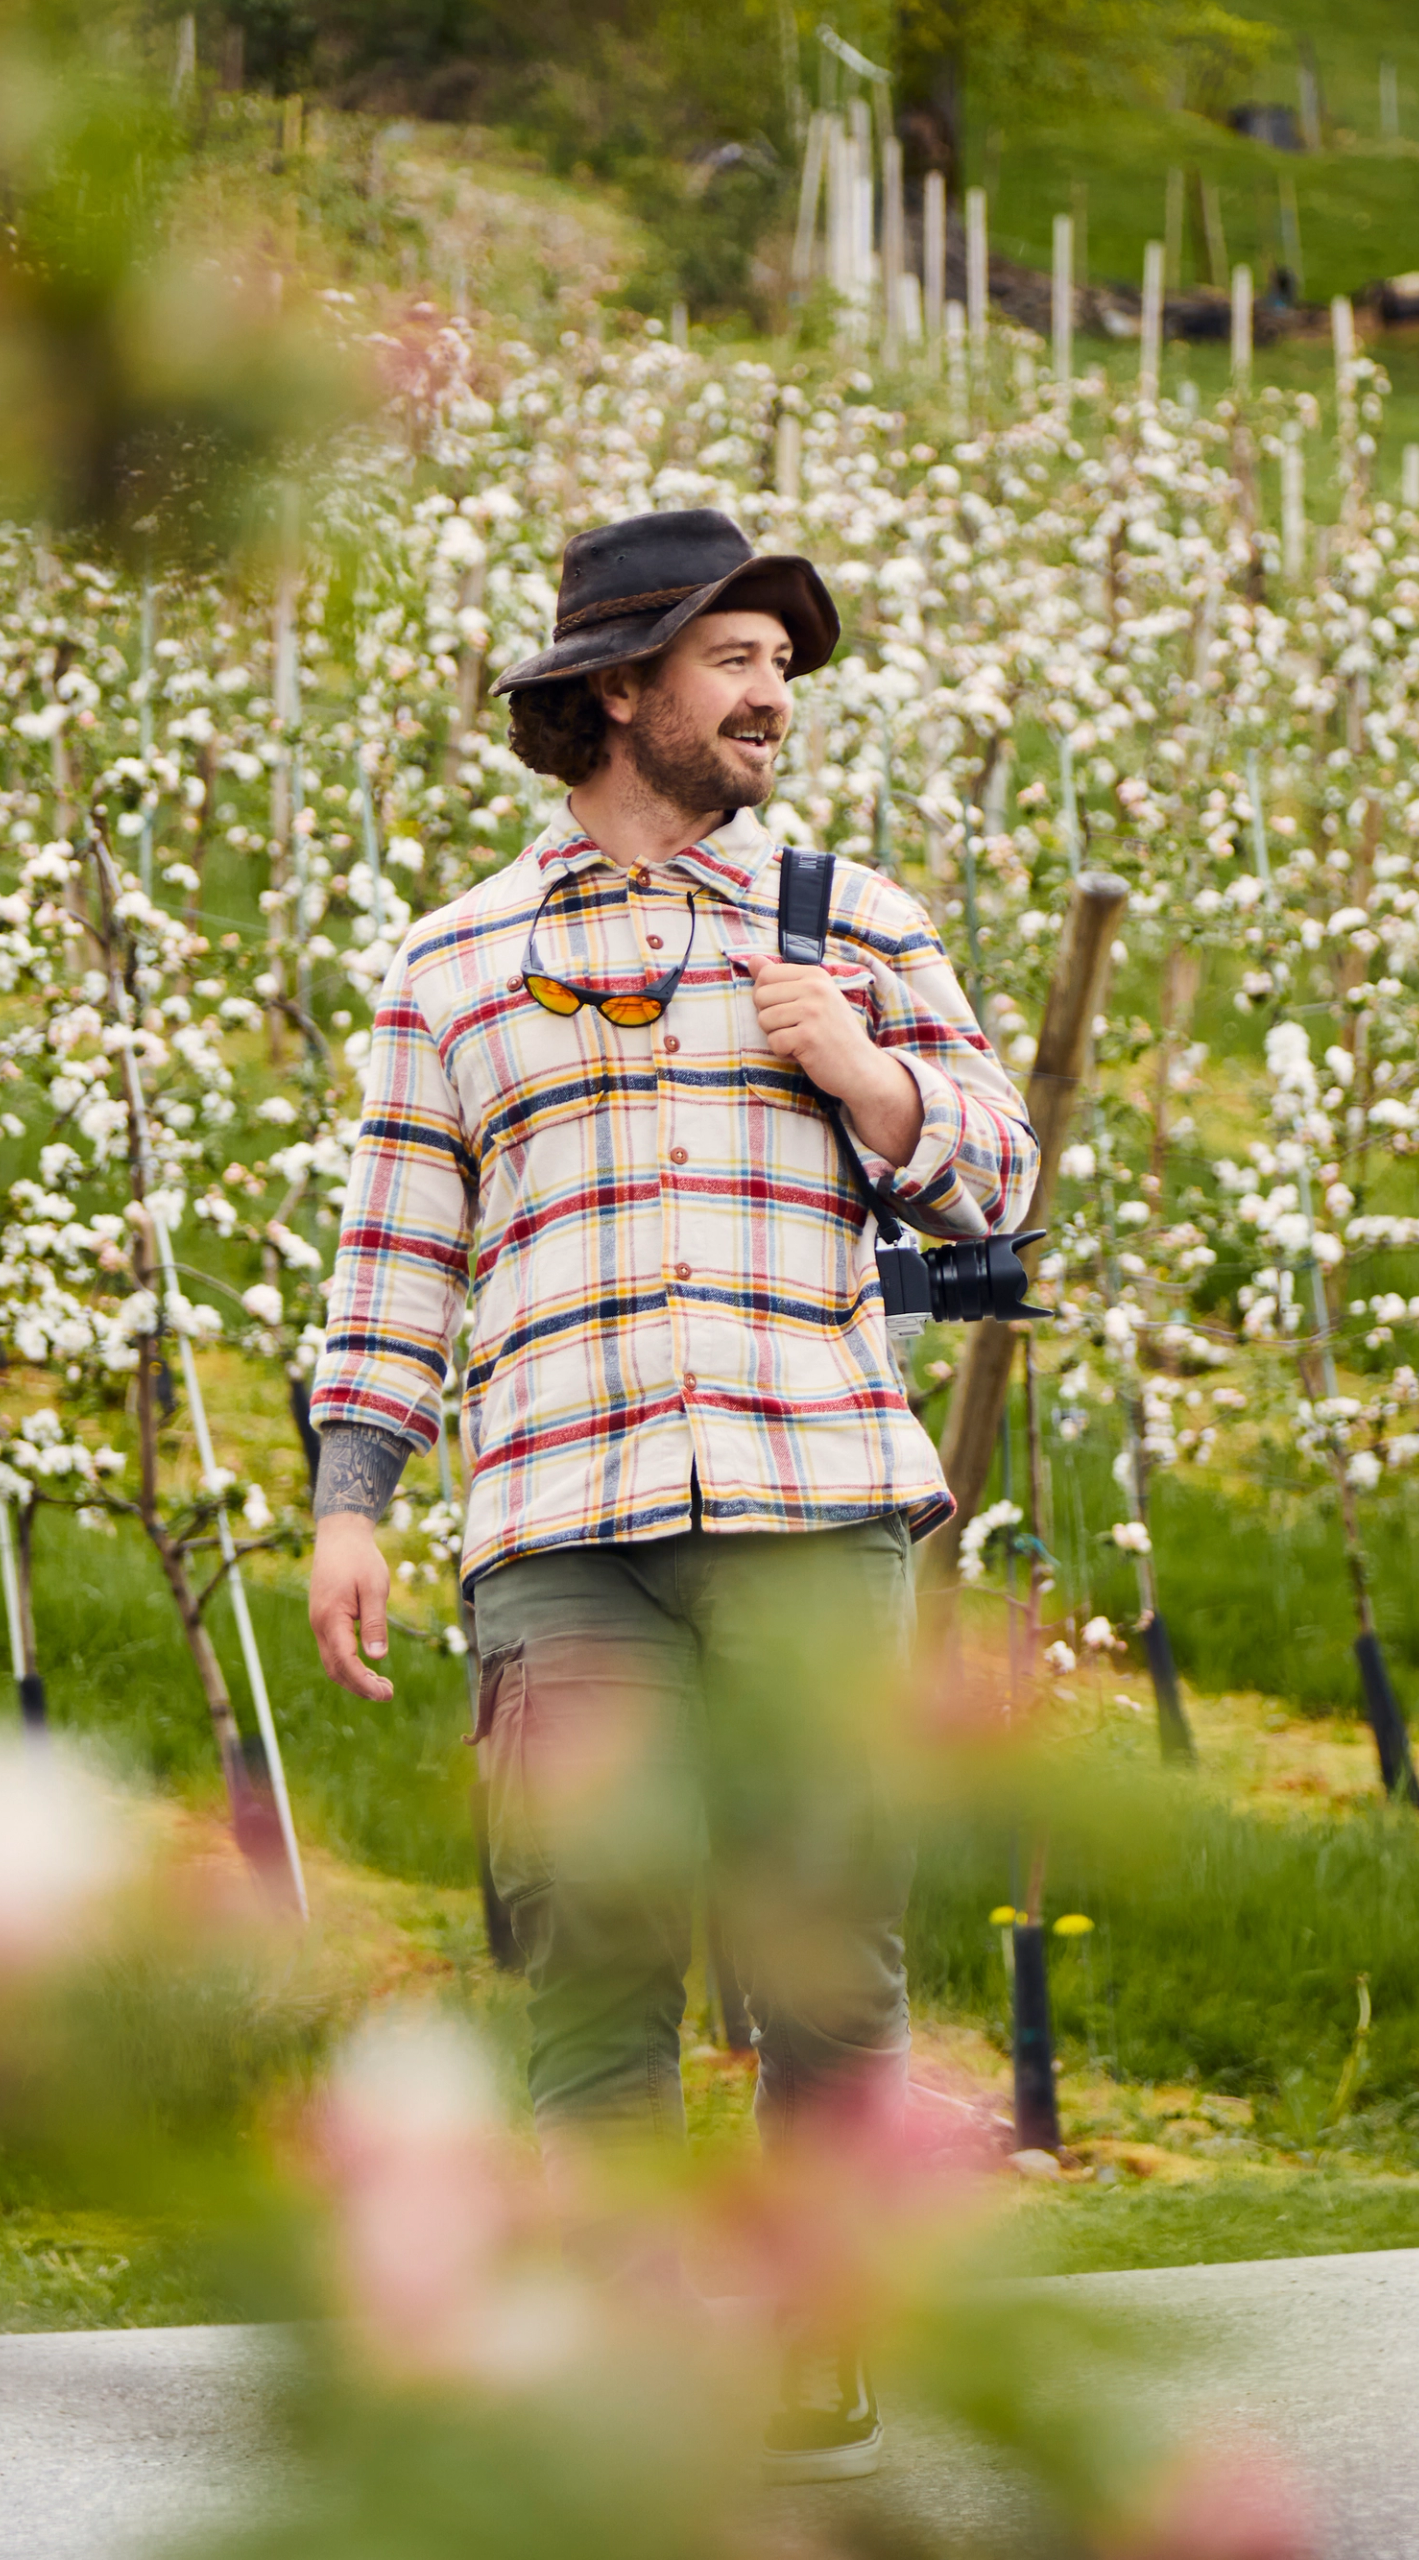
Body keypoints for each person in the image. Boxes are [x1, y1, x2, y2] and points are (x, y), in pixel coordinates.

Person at [301, 508, 1038, 2483]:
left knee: (824, 1942)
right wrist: (353, 1497)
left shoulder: (850, 919)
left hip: (813, 1500)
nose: (771, 694)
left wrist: (871, 1079)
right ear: (619, 686)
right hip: (561, 1528)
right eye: (733, 658)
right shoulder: (459, 956)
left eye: (782, 664)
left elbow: (997, 1173)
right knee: (595, 1941)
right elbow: (395, 1259)